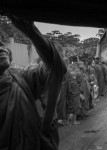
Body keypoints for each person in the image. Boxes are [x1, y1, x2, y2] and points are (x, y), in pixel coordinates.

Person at [0, 14, 67, 150]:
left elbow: (56, 67)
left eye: (2, 44)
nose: (1, 48)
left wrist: (31, 31)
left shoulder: (20, 81)